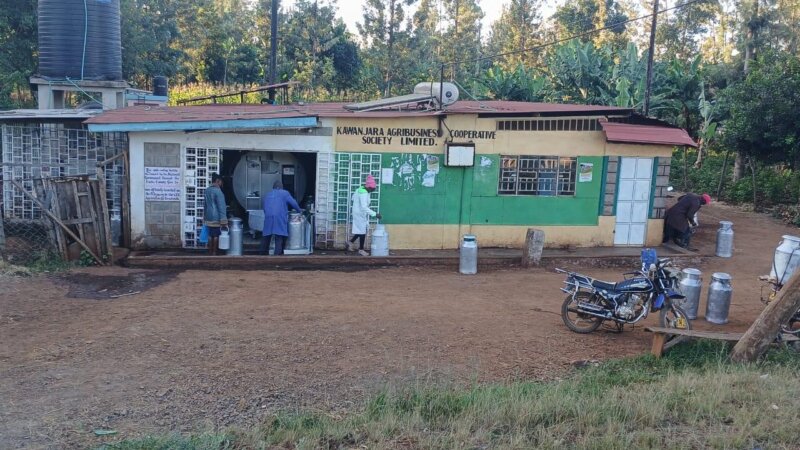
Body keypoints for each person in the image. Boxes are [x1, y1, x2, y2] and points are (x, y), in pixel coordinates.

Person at [260, 180, 302, 255]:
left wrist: (268, 214)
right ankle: (277, 257)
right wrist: (299, 211)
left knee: (266, 236)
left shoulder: (268, 194)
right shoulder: (284, 193)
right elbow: (293, 203)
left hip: (268, 216)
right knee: (279, 236)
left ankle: (262, 256)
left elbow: (264, 207)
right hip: (279, 216)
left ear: (273, 188)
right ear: (280, 188)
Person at [347, 174, 381, 256]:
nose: (373, 191)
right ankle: (361, 250)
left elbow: (353, 198)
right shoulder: (364, 193)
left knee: (360, 230)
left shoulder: (360, 189)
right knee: (362, 231)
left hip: (357, 212)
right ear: (369, 187)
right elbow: (363, 207)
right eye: (372, 189)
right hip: (359, 213)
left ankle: (350, 242)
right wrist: (375, 214)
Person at [203, 173, 228, 255]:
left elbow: (205, 205)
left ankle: (209, 251)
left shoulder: (207, 190)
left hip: (209, 216)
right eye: (221, 182)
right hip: (216, 217)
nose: (221, 184)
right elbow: (222, 207)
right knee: (216, 234)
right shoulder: (218, 192)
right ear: (217, 181)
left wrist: (205, 216)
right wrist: (224, 220)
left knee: (210, 234)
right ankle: (214, 252)